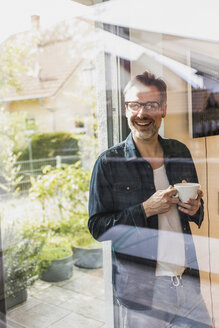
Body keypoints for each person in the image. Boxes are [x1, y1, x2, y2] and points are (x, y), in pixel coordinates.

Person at [88, 71, 212, 327]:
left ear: (163, 109)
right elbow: (98, 228)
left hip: (187, 281)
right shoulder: (108, 163)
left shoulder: (180, 151)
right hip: (142, 293)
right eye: (134, 104)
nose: (142, 113)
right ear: (126, 109)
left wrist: (195, 208)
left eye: (151, 105)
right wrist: (144, 209)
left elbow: (196, 208)